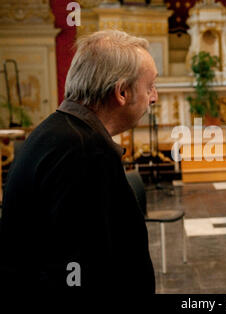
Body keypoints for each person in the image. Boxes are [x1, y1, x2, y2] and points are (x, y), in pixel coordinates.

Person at [0, 30, 158, 289]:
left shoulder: (56, 130)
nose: (154, 97)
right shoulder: (85, 150)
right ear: (121, 92)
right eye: (150, 86)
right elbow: (83, 268)